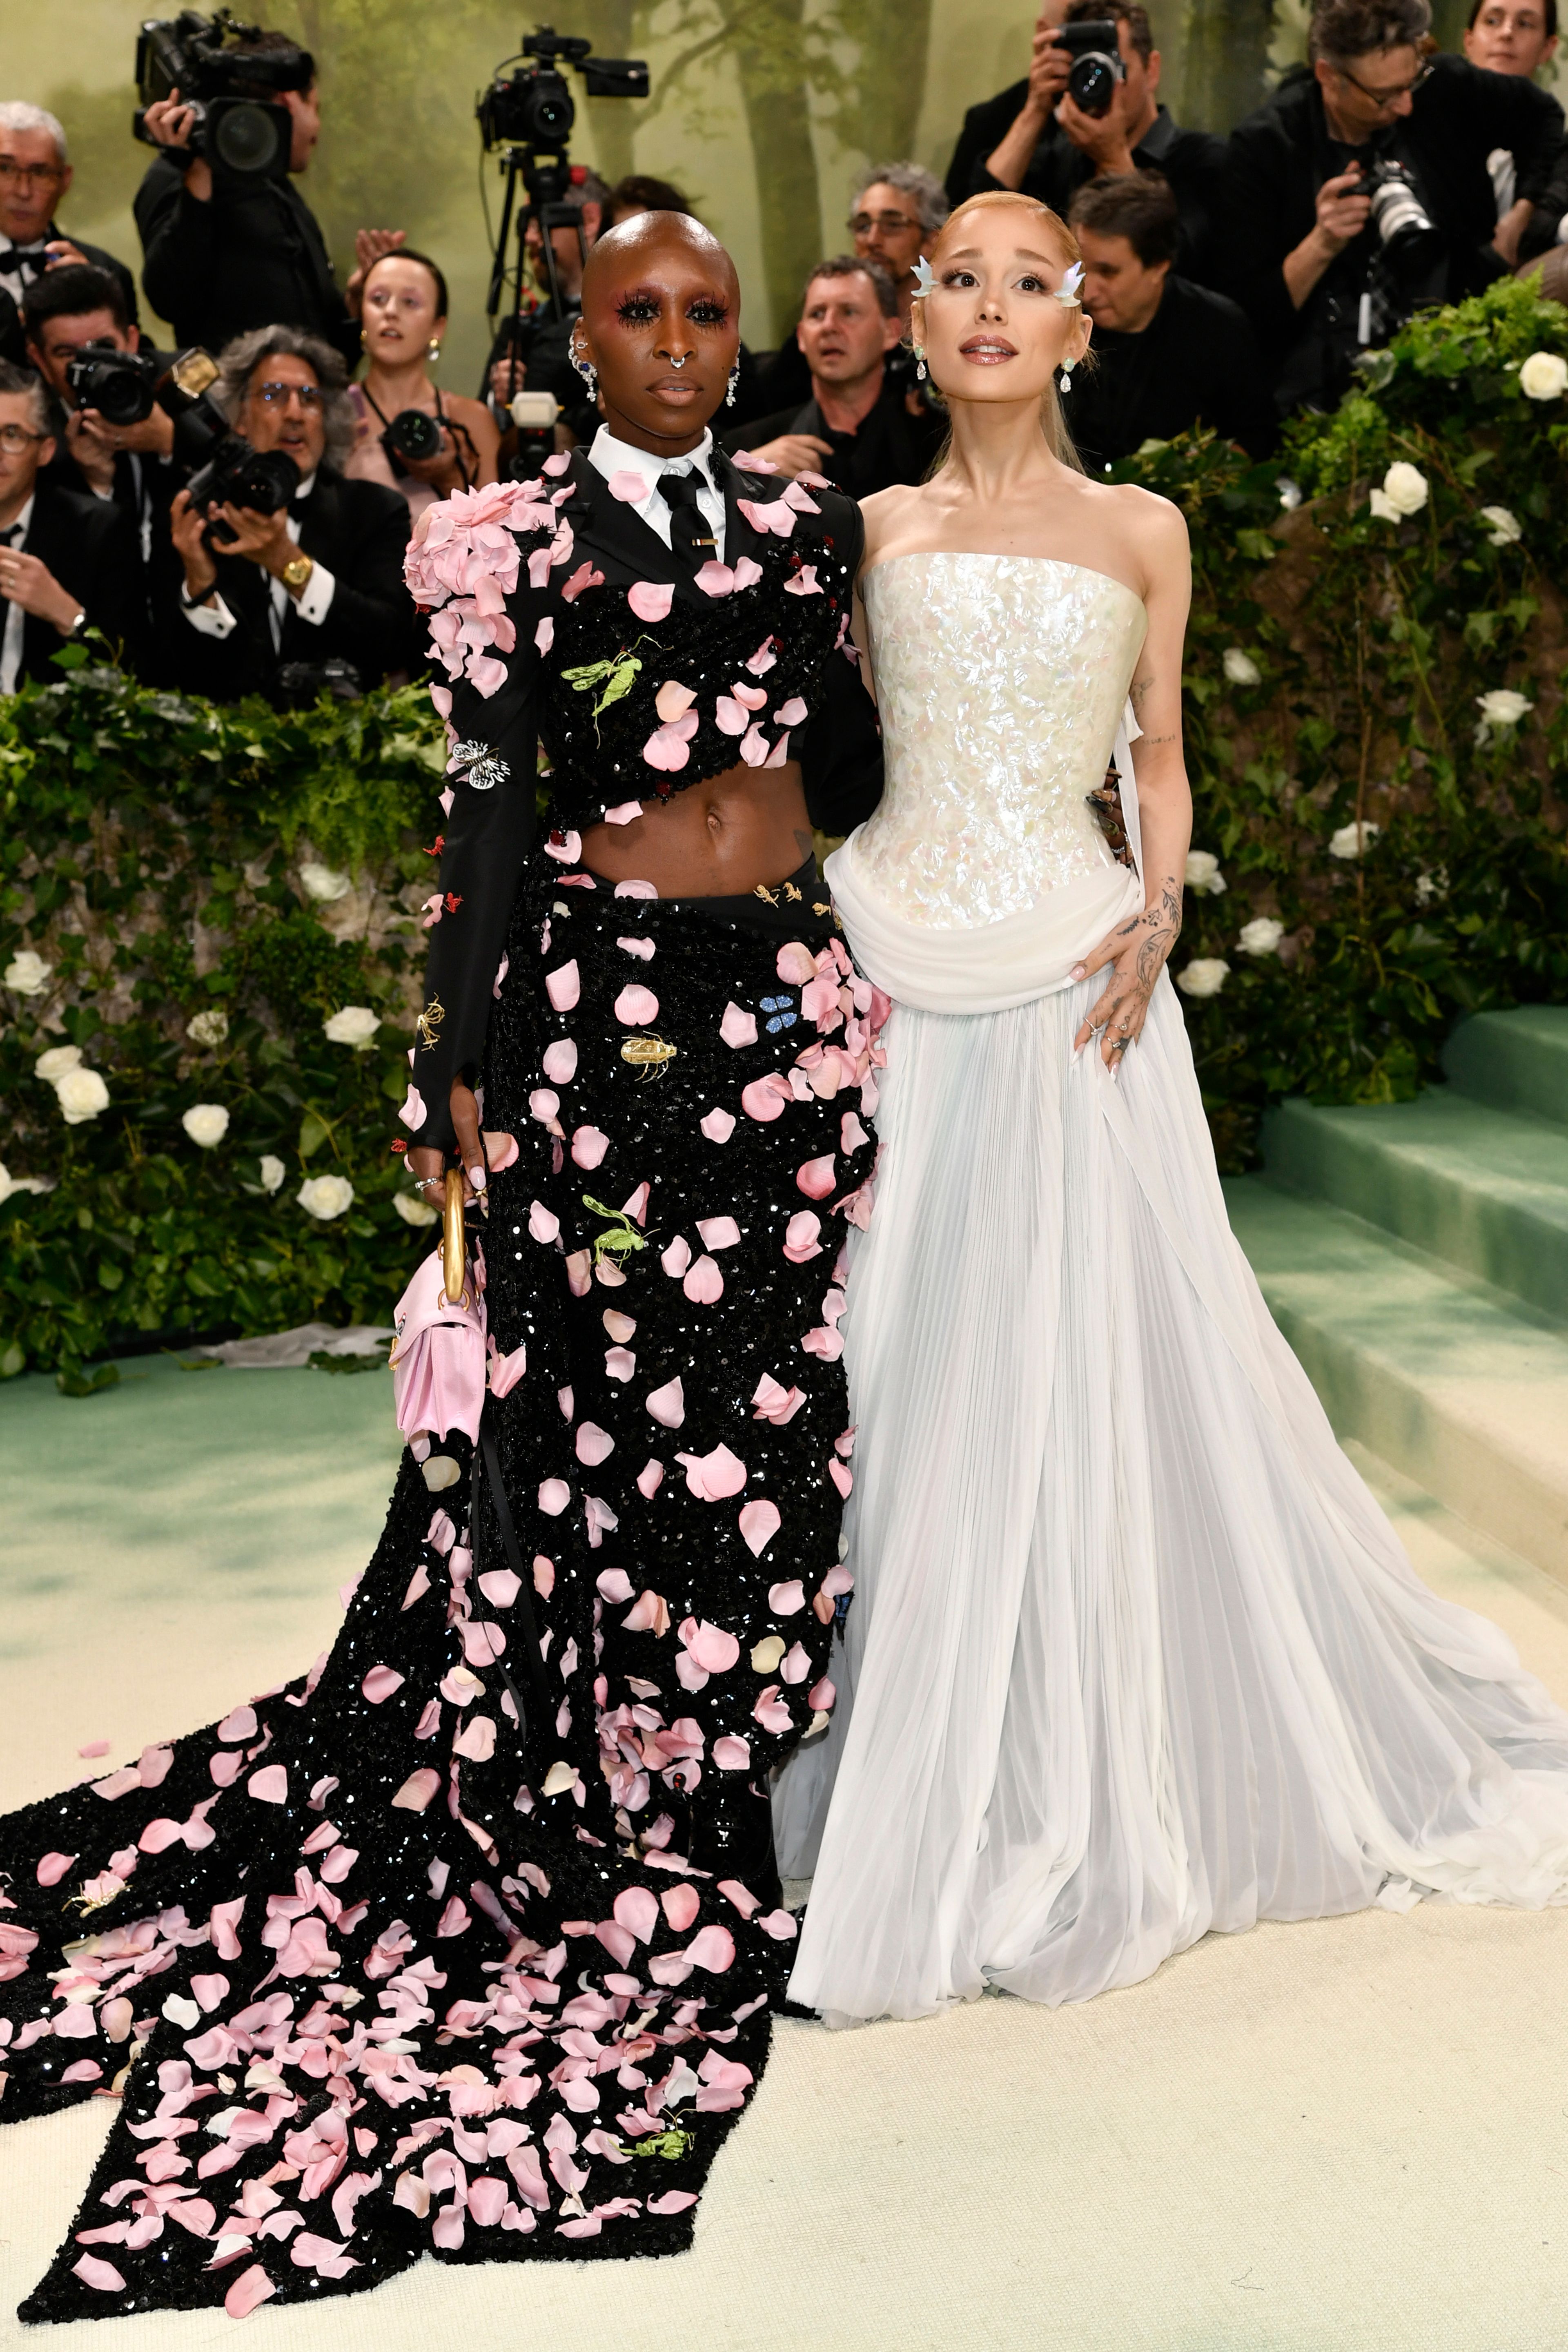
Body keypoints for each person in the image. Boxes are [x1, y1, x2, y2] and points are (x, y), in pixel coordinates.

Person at [0, 208, 884, 2321]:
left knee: (772, 1394)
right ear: (577, 337)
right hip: (592, 1022)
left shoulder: (798, 527)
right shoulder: (499, 538)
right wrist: (452, 1052)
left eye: (706, 315)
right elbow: (486, 812)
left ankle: (732, 1750)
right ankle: (612, 1768)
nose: (676, 343)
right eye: (637, 314)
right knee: (594, 1407)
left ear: (739, 339)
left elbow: (848, 774)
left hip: (780, 1014)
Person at [770, 185, 1568, 2028]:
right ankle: (905, 1761)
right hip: (888, 964)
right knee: (891, 1376)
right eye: (953, 279)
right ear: (912, 314)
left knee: (1076, 1372)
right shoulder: (861, 523)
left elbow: (1159, 758)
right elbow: (814, 756)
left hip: (1075, 979)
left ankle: (1075, 1752)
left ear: (1081, 321)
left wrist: (1160, 896)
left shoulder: (1145, 527)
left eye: (1023, 282)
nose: (987, 307)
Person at [1222, 0, 1566, 415]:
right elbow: (1247, 319)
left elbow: (1546, 121)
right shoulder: (1267, 147)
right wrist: (1321, 244)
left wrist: (1520, 222)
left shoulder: (1442, 85)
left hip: (1456, 343)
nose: (1405, 106)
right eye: (1384, 96)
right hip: (1316, 392)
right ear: (1329, 78)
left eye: (1411, 82)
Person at [167, 325, 416, 700]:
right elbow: (181, 673)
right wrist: (201, 589)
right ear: (239, 416)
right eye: (273, 395)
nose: (295, 413)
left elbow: (392, 644)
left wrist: (288, 563)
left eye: (310, 399)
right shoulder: (200, 516)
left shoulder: (377, 510)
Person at [134, 31, 403, 368]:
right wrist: (199, 172)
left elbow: (329, 352)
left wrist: (355, 300)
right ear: (289, 101)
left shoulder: (280, 190)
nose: (318, 128)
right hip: (235, 410)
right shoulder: (175, 175)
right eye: (316, 108)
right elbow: (170, 299)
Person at [945, 0, 1227, 283]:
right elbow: (970, 234)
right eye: (1083, 69)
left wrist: (1114, 159)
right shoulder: (1060, 156)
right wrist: (1035, 111)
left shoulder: (1206, 160)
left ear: (1152, 71)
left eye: (1115, 68)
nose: (1097, 82)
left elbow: (1181, 273)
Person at [1065, 172, 1276, 467]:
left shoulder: (1219, 331)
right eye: (1079, 267)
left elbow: (1256, 438)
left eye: (1108, 272)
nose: (1088, 289)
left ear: (1158, 266)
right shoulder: (1056, 318)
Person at [22, 264, 180, 604]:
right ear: (39, 360)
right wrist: (97, 485)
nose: (94, 367)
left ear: (133, 341)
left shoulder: (179, 388)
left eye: (104, 347)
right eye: (69, 355)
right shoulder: (29, 437)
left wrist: (169, 442)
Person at [721, 255, 944, 492]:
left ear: (891, 332)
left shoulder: (932, 446)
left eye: (848, 312)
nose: (829, 326)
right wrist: (743, 477)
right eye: (817, 314)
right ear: (801, 338)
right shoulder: (748, 449)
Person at [0, 360, 140, 689]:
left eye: (11, 435)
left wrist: (69, 616)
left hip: (50, 732)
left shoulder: (96, 530)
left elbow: (132, 672)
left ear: (45, 450)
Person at [346, 248, 499, 523]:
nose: (391, 312)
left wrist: (450, 477)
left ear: (438, 328)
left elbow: (499, 538)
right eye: (378, 299)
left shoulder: (471, 420)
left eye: (410, 302)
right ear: (361, 315)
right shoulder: (336, 413)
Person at [0, 102, 137, 368]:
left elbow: (130, 371)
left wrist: (95, 297)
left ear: (65, 181)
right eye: (5, 169)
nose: (23, 191)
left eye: (40, 173)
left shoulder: (105, 271)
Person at [485, 162, 608, 414]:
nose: (529, 238)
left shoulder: (630, 320)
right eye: (526, 225)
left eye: (539, 222)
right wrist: (502, 403)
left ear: (588, 221)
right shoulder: (521, 331)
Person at [849, 163, 950, 328]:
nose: (873, 240)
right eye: (863, 226)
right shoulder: (835, 329)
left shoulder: (950, 330)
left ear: (931, 242)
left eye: (893, 225)